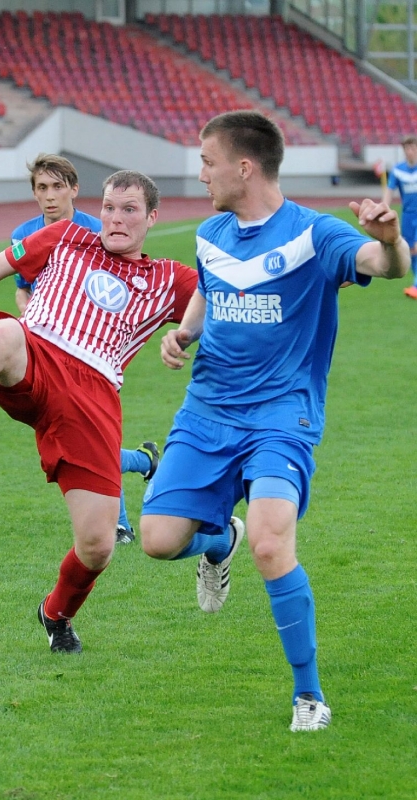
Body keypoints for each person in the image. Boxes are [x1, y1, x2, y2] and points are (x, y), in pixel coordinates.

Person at [139, 110, 409, 732]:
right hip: (208, 410)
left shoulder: (315, 234)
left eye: (207, 162)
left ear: (244, 167)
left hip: (282, 416)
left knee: (270, 542)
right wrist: (185, 333)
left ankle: (309, 697)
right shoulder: (211, 232)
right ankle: (219, 540)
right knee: (158, 541)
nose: (200, 175)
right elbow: (210, 287)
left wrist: (393, 240)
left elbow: (384, 264)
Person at [0, 169, 198, 656]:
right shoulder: (64, 235)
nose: (116, 219)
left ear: (152, 217)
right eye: (110, 208)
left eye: (129, 210)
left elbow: (223, 301)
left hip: (94, 397)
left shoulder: (170, 279)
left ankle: (56, 614)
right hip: (36, 353)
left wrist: (183, 335)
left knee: (98, 546)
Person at [12, 153, 160, 544]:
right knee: (69, 443)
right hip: (46, 352)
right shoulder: (23, 233)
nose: (50, 196)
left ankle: (119, 523)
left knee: (95, 440)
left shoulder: (98, 230)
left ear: (74, 190)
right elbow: (22, 287)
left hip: (94, 352)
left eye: (57, 187)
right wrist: (31, 316)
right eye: (42, 188)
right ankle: (144, 460)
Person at [383, 134, 417, 298]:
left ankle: (415, 286)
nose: (409, 151)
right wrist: (383, 210)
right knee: (411, 251)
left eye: (413, 148)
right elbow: (389, 191)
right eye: (406, 148)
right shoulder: (398, 170)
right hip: (407, 216)